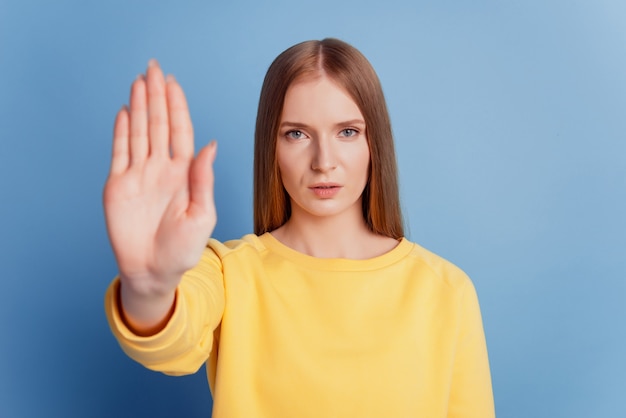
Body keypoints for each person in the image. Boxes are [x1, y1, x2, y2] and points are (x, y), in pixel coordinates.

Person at [104, 38, 495, 417]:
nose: (324, 160)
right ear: (271, 147)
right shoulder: (229, 273)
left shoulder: (446, 290)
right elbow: (172, 342)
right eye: (297, 134)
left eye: (347, 132)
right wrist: (150, 289)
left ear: (375, 142)